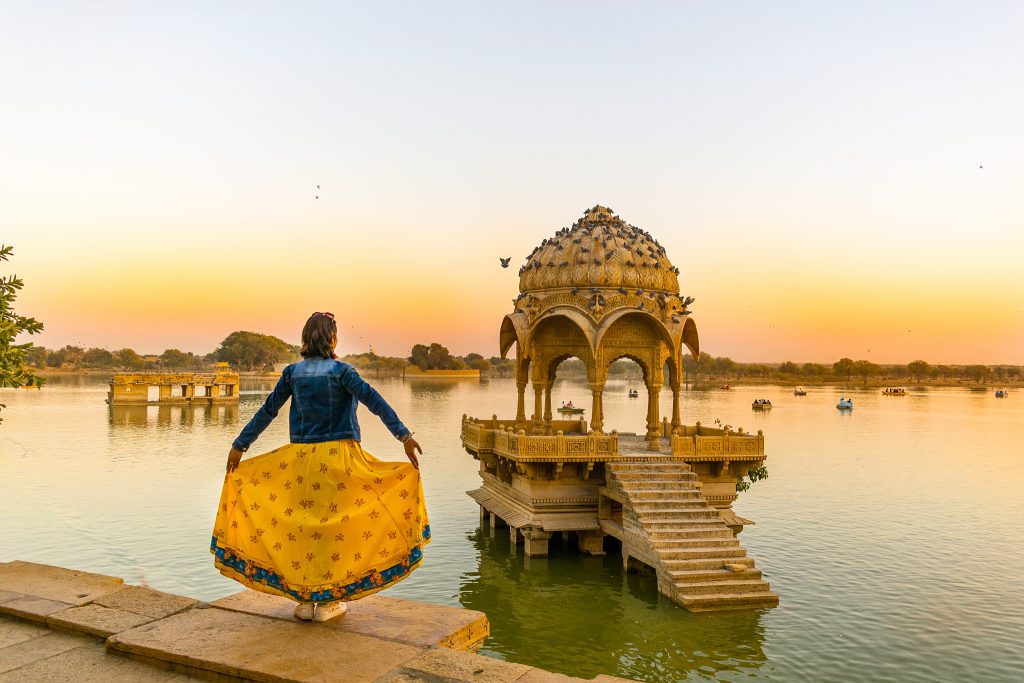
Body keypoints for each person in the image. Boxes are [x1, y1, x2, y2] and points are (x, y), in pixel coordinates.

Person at [211, 312, 428, 622]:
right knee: (335, 530)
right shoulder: (343, 372)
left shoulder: (292, 373)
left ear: (304, 339)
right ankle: (328, 602)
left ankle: (303, 600)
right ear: (333, 339)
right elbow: (374, 401)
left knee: (303, 528)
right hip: (339, 459)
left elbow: (267, 411)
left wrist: (240, 445)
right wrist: (404, 436)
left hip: (300, 463)